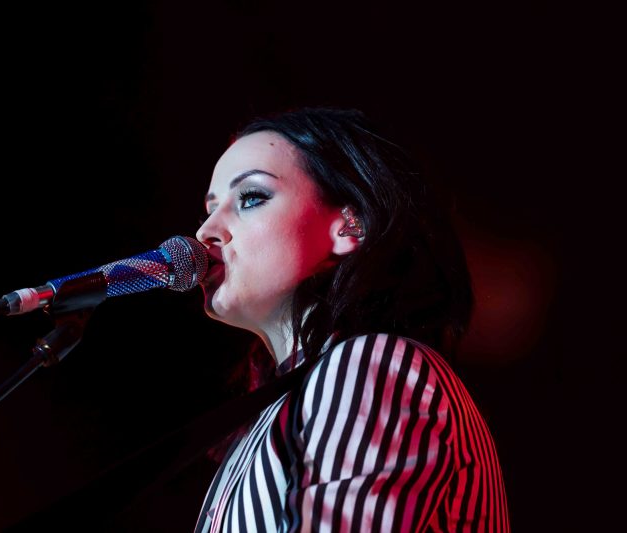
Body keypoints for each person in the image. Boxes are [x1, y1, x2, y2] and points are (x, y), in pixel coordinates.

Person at [192, 107, 509, 532]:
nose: (206, 232)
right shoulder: (274, 414)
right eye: (209, 211)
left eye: (251, 198)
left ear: (349, 226)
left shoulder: (371, 364)